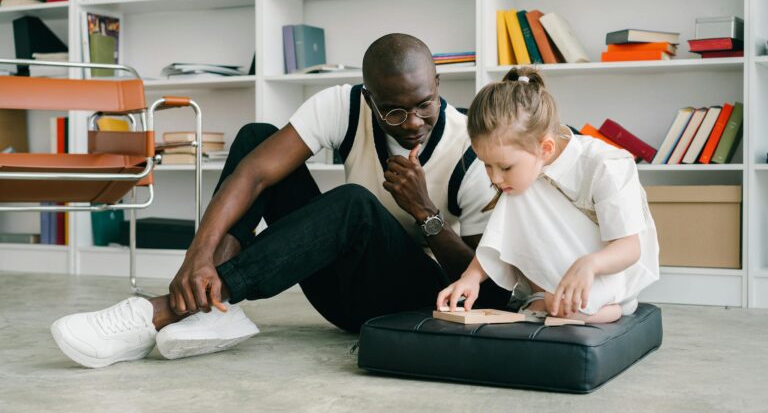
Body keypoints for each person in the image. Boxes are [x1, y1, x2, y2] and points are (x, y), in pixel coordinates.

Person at [51, 33, 510, 368]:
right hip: (339, 293)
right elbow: (252, 174)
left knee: (354, 205)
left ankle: (162, 312)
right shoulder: (343, 107)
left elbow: (486, 294)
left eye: (424, 104)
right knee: (257, 139)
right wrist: (197, 256)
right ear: (368, 98)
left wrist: (425, 213)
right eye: (394, 110)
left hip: (411, 301)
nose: (412, 122)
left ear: (437, 84)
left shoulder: (470, 152)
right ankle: (213, 305)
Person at [436, 67, 659, 323]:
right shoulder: (520, 174)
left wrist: (590, 264)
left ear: (546, 148)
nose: (494, 177)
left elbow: (630, 248)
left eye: (505, 166)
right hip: (562, 273)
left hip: (611, 269)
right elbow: (499, 236)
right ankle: (545, 294)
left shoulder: (606, 165)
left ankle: (619, 306)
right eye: (487, 164)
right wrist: (471, 277)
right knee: (517, 189)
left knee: (565, 305)